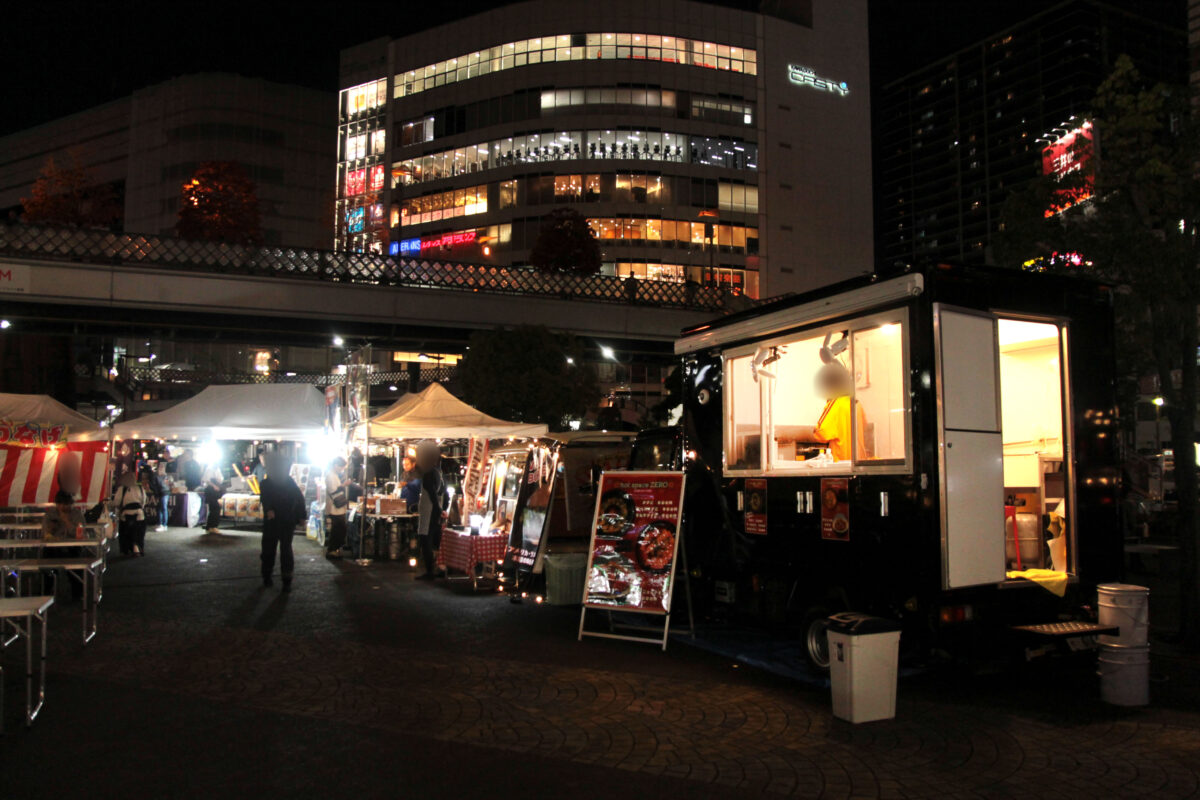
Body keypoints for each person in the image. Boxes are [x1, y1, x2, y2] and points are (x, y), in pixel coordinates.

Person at [259, 455, 307, 590]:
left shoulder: (289, 482)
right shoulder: (266, 484)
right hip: (272, 522)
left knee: (285, 550)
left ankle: (286, 579)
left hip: (286, 520)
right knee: (269, 550)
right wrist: (269, 509)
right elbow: (266, 499)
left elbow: (299, 499)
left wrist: (302, 516)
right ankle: (267, 576)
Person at [42, 490, 85, 598]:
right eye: (61, 504)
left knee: (75, 563)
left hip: (72, 546)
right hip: (53, 546)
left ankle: (77, 593)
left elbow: (80, 532)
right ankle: (46, 591)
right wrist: (50, 529)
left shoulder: (76, 514)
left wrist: (67, 521)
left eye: (67, 504)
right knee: (46, 561)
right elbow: (44, 532)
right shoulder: (50, 514)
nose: (64, 507)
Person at [415, 442, 448, 580]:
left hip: (430, 512)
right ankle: (441, 568)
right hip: (437, 511)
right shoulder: (439, 472)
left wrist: (439, 509)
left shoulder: (429, 474)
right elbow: (445, 493)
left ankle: (430, 571)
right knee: (437, 541)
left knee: (426, 541)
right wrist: (444, 508)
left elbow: (432, 495)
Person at [113, 471, 148, 556]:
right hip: (139, 514)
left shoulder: (122, 489)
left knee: (126, 532)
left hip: (126, 515)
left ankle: (127, 549)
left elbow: (116, 502)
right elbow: (144, 501)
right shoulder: (140, 488)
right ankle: (137, 547)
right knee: (139, 533)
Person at [324, 456, 349, 558]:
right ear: (336, 465)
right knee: (337, 529)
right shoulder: (331, 475)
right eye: (341, 467)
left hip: (337, 508)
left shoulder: (333, 475)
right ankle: (332, 550)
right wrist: (344, 485)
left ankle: (335, 549)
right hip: (335, 508)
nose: (342, 469)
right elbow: (333, 490)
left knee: (339, 529)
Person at [202, 462, 224, 534]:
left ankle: (210, 526)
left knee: (215, 508)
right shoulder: (209, 469)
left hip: (216, 491)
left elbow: (220, 479)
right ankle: (212, 526)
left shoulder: (217, 469)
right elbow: (207, 480)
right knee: (215, 507)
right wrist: (214, 486)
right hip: (210, 490)